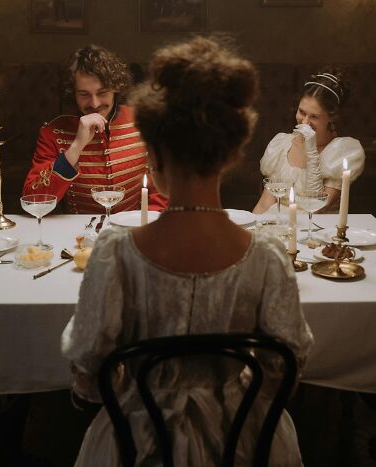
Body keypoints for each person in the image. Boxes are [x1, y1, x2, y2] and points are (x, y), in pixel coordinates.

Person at [61, 37, 313, 466]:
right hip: (244, 443)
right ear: (232, 155)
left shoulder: (115, 254)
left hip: (138, 440)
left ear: (153, 154)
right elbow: (285, 372)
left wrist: (141, 387)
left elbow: (88, 378)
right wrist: (233, 389)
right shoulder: (268, 258)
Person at [22, 44, 168, 214]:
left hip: (133, 230)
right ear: (73, 93)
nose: (95, 103)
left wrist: (145, 225)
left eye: (102, 92)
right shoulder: (53, 132)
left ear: (115, 88)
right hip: (78, 236)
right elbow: (34, 201)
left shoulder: (143, 120)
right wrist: (75, 148)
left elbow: (162, 188)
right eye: (84, 94)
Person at [253, 69, 365, 214]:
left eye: (314, 117)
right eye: (302, 112)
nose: (305, 122)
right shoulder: (281, 145)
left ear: (332, 117)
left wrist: (311, 150)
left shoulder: (342, 151)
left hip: (318, 231)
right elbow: (264, 205)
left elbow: (316, 208)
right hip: (281, 230)